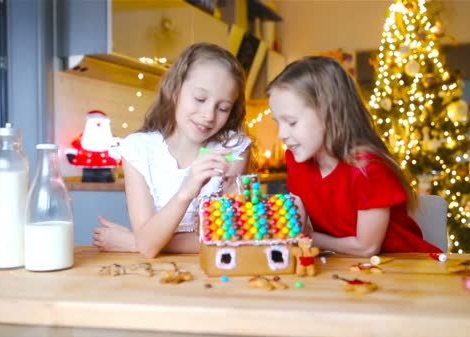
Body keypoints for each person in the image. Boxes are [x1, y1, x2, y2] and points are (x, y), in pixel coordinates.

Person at [266, 56, 441, 256]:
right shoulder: (297, 161)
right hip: (344, 266)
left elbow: (367, 247)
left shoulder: (369, 169)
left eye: (291, 122)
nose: (281, 134)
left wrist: (309, 238)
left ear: (329, 114)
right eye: (277, 122)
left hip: (404, 265)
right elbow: (295, 224)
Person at [93, 43, 251, 258]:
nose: (209, 115)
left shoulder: (232, 149)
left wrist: (136, 241)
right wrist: (188, 189)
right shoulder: (138, 149)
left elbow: (230, 238)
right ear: (174, 89)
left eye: (223, 108)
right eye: (200, 99)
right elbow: (149, 247)